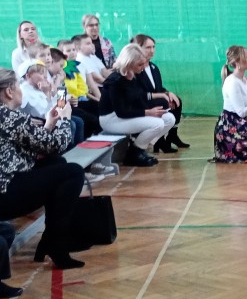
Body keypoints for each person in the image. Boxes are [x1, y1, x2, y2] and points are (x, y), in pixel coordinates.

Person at [0, 67, 85, 271]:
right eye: (18, 86)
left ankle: (51, 240)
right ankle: (56, 243)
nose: (21, 89)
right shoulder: (9, 117)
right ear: (9, 91)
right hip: (5, 194)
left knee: (56, 164)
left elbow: (27, 148)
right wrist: (64, 119)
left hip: (7, 184)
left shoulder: (7, 116)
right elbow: (57, 144)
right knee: (73, 173)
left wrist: (48, 125)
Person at [98, 44, 173, 167]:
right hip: (111, 119)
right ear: (129, 63)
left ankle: (139, 147)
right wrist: (147, 112)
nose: (143, 67)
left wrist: (151, 109)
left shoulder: (133, 75)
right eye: (140, 64)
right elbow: (121, 111)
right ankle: (134, 153)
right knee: (157, 124)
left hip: (126, 115)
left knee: (169, 119)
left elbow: (138, 97)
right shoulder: (115, 80)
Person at [132, 34, 188, 153]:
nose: (152, 50)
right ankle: (158, 140)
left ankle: (171, 135)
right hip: (143, 103)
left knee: (176, 100)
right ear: (138, 48)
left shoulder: (153, 67)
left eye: (153, 47)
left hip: (154, 98)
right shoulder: (135, 69)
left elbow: (157, 87)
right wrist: (164, 96)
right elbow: (140, 93)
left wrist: (168, 93)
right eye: (148, 47)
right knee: (164, 102)